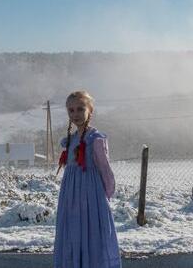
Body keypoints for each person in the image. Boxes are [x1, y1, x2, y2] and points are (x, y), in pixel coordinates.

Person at [54, 90, 121, 268]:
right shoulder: (70, 140)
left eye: (80, 109)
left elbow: (105, 169)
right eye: (71, 110)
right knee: (73, 233)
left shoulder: (95, 139)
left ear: (90, 110)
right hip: (70, 198)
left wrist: (103, 198)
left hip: (92, 198)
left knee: (92, 235)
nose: (75, 114)